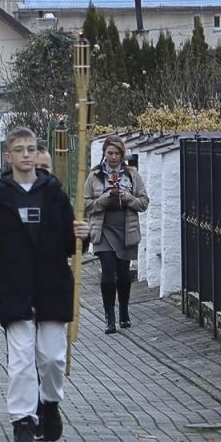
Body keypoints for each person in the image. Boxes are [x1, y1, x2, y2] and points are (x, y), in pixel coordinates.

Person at [0, 126, 92, 442]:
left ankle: (49, 403)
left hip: (51, 286)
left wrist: (83, 234)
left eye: (31, 148)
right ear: (9, 157)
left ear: (38, 154)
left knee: (51, 358)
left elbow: (70, 244)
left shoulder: (54, 193)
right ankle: (22, 421)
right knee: (21, 359)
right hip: (14, 288)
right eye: (19, 149)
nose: (26, 154)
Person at [83, 137, 150, 334]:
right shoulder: (95, 175)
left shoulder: (132, 175)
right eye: (110, 153)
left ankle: (124, 312)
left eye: (117, 154)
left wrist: (127, 197)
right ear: (104, 153)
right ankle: (109, 317)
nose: (113, 157)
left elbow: (144, 202)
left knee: (122, 275)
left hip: (126, 230)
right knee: (107, 273)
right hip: (103, 229)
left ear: (122, 155)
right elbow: (86, 204)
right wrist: (103, 199)